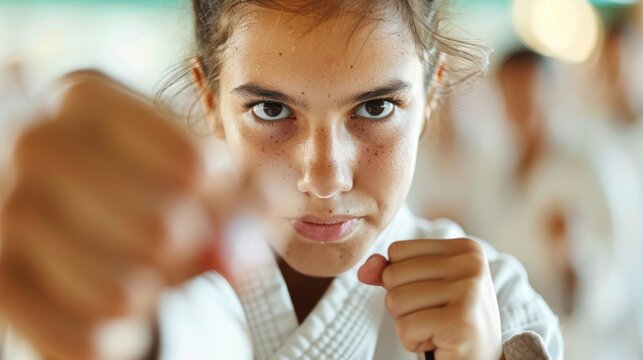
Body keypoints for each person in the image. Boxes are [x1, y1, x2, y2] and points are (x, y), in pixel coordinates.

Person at [0, 1, 562, 359]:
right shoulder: (144, 286)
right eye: (271, 110)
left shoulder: (500, 307)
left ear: (432, 95)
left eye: (375, 109)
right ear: (209, 98)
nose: (324, 178)